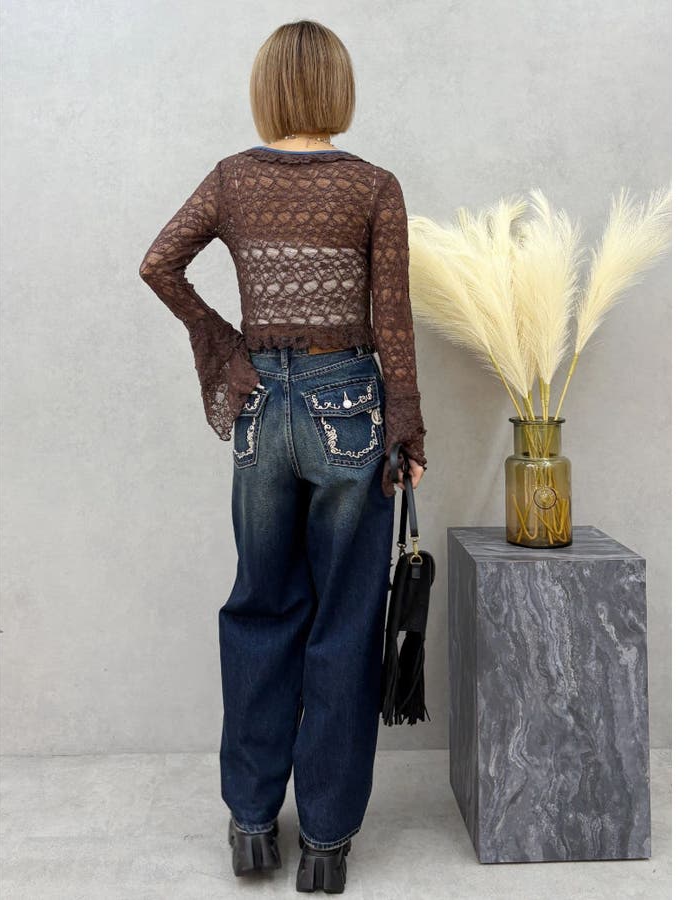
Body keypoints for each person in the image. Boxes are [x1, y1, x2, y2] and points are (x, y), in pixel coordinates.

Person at [139, 19, 427, 894]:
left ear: (267, 89)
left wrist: (230, 345)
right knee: (345, 618)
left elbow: (159, 263)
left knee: (262, 608)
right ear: (338, 89)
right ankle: (327, 844)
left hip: (263, 404)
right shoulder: (374, 186)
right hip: (350, 409)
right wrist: (406, 427)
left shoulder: (233, 178)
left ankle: (253, 827)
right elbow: (391, 322)